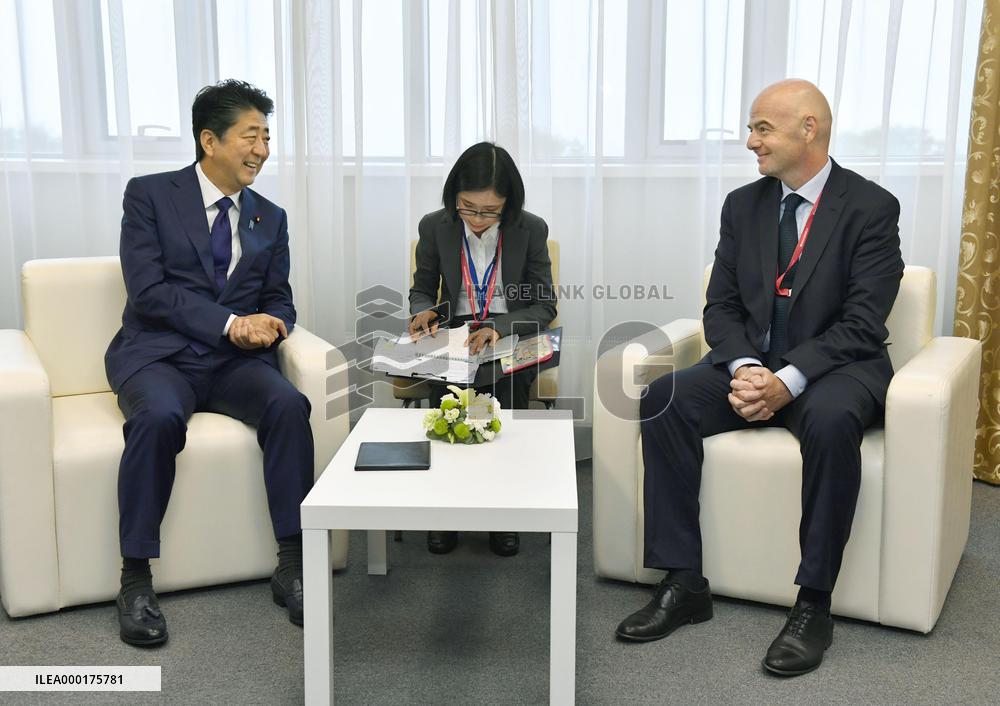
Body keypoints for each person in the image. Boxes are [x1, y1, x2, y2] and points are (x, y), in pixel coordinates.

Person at [615, 79, 903, 676]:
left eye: (762, 128)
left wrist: (790, 380)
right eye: (752, 129)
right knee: (663, 396)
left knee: (828, 420)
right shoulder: (742, 206)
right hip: (753, 366)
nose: (751, 142)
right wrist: (747, 368)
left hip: (835, 372)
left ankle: (813, 604)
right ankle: (684, 581)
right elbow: (719, 305)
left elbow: (861, 322)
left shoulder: (872, 208)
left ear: (809, 129)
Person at [105, 80, 312, 646]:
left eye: (267, 137)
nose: (263, 149)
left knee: (290, 406)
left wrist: (275, 323)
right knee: (158, 418)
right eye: (251, 136)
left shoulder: (269, 217)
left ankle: (292, 563)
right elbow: (148, 292)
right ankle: (135, 578)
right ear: (209, 140)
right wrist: (229, 323)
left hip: (230, 363)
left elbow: (279, 297)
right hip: (159, 354)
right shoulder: (149, 196)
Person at [408, 141, 557, 557]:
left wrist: (498, 326)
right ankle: (448, 512)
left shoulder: (531, 230)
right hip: (456, 333)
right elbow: (422, 289)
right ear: (454, 197)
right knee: (450, 393)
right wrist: (422, 312)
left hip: (510, 336)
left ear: (508, 206)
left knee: (497, 390)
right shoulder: (434, 226)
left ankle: (501, 513)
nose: (476, 219)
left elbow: (544, 305)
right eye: (467, 207)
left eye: (488, 211)